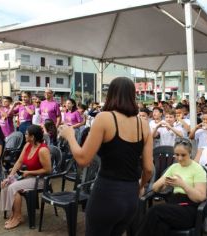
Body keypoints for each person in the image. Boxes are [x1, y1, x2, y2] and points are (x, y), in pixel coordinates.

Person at [59, 77, 153, 236]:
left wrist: (70, 136)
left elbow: (83, 159)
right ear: (132, 96)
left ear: (110, 94)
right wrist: (140, 186)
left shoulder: (105, 118)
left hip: (107, 194)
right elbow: (149, 169)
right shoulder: (143, 124)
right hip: (131, 197)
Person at [136, 138, 207, 236]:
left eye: (183, 155)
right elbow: (155, 188)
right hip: (173, 206)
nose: (180, 158)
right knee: (161, 226)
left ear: (190, 153)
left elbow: (200, 197)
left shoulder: (198, 169)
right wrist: (164, 182)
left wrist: (182, 185)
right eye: (177, 155)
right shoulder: (174, 167)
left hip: (189, 209)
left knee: (155, 211)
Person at [0, 125, 51, 229]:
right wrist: (9, 177)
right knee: (6, 184)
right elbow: (19, 162)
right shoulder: (27, 145)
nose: (25, 135)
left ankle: (17, 217)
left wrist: (29, 172)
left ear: (32, 137)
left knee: (13, 187)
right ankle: (15, 215)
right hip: (29, 177)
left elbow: (48, 170)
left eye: (27, 134)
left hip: (41, 179)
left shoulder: (42, 150)